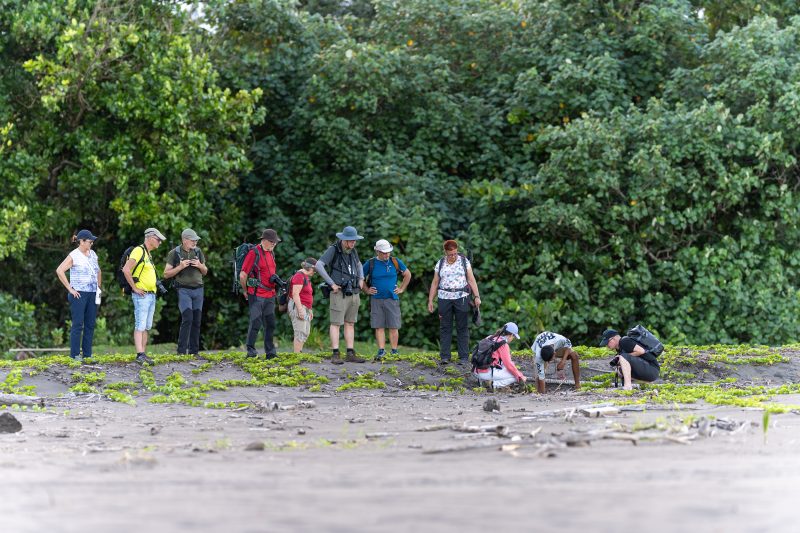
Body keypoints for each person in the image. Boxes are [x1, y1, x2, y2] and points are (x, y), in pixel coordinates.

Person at [315, 226, 367, 364]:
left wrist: (361, 279)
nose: (353, 243)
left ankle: (350, 352)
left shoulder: (353, 250)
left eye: (354, 240)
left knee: (350, 322)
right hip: (338, 291)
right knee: (336, 323)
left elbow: (359, 264)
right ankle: (335, 353)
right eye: (351, 241)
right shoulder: (333, 249)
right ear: (343, 240)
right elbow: (319, 265)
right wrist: (331, 283)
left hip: (354, 291)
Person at [427, 240, 481, 365]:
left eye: (455, 254)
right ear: (445, 252)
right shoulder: (440, 263)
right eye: (450, 254)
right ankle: (445, 356)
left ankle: (463, 357)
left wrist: (477, 296)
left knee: (462, 327)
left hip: (461, 297)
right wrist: (430, 300)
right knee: (445, 327)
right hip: (444, 297)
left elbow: (471, 280)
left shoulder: (464, 262)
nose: (453, 256)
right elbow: (435, 282)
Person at [55, 229, 102, 361]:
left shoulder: (93, 254)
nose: (91, 243)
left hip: (92, 293)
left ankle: (87, 355)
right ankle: (75, 355)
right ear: (81, 241)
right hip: (79, 295)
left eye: (92, 241)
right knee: (77, 324)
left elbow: (98, 271)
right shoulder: (74, 255)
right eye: (89, 241)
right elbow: (60, 270)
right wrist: (70, 289)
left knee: (90, 324)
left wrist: (98, 287)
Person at [122, 227, 166, 366]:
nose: (160, 242)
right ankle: (139, 354)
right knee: (140, 325)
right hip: (142, 295)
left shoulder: (148, 254)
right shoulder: (138, 250)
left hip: (151, 295)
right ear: (150, 238)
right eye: (158, 239)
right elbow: (126, 269)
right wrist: (134, 288)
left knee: (146, 326)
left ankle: (143, 354)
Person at [364, 239, 411, 360]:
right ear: (377, 251)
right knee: (379, 326)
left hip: (392, 298)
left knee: (393, 326)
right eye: (384, 252)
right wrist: (366, 289)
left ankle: (394, 351)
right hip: (376, 299)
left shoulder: (395, 261)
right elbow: (360, 277)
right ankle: (381, 351)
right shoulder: (371, 263)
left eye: (388, 252)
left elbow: (407, 274)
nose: (387, 254)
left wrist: (401, 288)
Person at [163, 228, 208, 356]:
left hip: (199, 289)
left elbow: (205, 271)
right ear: (184, 240)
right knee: (187, 318)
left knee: (197, 320)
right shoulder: (174, 253)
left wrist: (200, 265)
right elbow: (166, 274)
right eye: (193, 240)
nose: (195, 243)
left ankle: (194, 352)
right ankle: (181, 352)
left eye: (196, 240)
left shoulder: (198, 252)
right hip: (183, 290)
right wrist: (180, 267)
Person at [239, 229, 281, 359]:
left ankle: (270, 353)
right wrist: (245, 290)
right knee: (256, 322)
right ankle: (251, 351)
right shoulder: (254, 253)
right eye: (272, 242)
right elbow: (243, 274)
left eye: (275, 242)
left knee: (270, 323)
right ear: (263, 240)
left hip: (270, 295)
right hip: (256, 294)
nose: (274, 244)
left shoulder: (271, 253)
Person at [474, 322, 527, 389]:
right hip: (486, 373)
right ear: (511, 335)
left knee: (506, 368)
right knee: (514, 376)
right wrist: (520, 376)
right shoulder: (503, 344)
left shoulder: (490, 337)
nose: (513, 339)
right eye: (514, 336)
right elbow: (509, 365)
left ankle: (484, 381)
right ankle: (493, 385)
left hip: (476, 371)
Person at [288, 257, 317, 353]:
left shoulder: (306, 277)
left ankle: (299, 352)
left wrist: (310, 309)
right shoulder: (299, 276)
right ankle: (297, 356)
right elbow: (295, 294)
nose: (315, 272)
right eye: (314, 270)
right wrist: (300, 310)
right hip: (299, 306)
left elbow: (307, 294)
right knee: (300, 332)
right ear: (309, 268)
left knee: (305, 332)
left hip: (306, 307)